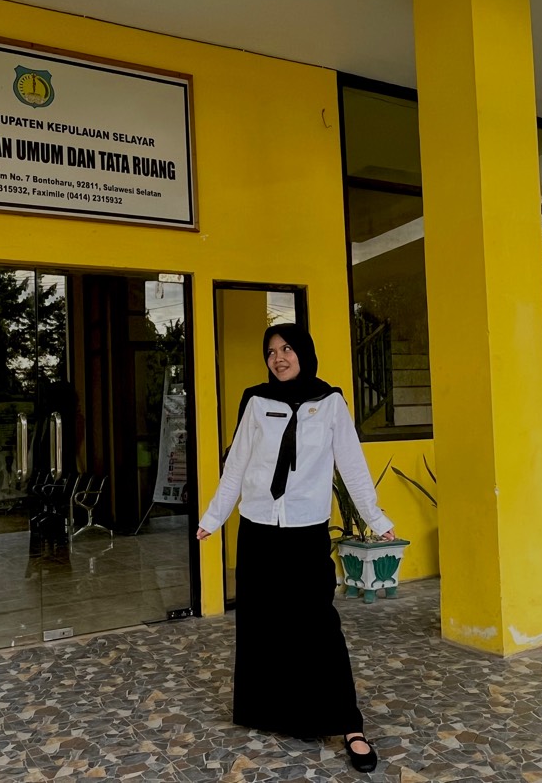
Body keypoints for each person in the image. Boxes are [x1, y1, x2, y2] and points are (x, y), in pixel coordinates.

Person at [196, 323, 395, 774]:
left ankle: (350, 725)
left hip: (306, 531)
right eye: (271, 352)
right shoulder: (256, 401)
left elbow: (352, 466)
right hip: (258, 529)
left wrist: (376, 518)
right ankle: (276, 713)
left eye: (287, 349)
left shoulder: (330, 403)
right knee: (263, 624)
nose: (279, 358)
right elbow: (236, 466)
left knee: (319, 626)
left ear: (303, 352)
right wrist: (213, 518)